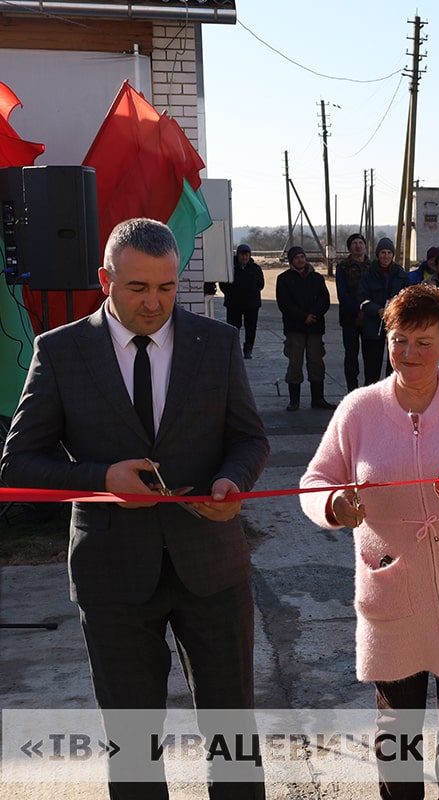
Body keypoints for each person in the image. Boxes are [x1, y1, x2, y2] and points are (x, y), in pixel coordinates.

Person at [1, 217, 270, 799]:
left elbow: (249, 439)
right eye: (137, 288)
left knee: (233, 742)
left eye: (167, 288)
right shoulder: (61, 351)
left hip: (213, 568)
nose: (154, 304)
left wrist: (231, 481)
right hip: (113, 577)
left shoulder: (216, 344)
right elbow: (18, 463)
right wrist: (101, 477)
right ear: (105, 279)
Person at [300, 284, 439, 800]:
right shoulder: (358, 409)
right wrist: (334, 506)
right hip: (394, 587)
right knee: (396, 724)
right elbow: (314, 482)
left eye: (425, 342)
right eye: (400, 340)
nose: (409, 353)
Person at [276, 244, 336, 410]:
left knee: (316, 362)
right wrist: (303, 317)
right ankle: (294, 400)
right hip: (295, 328)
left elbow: (324, 300)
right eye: (296, 257)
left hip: (315, 328)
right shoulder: (284, 279)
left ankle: (318, 399)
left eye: (302, 256)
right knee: (295, 363)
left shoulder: (317, 279)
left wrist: (313, 315)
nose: (300, 260)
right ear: (291, 261)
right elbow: (284, 304)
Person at [359, 237, 411, 385]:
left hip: (396, 327)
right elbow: (362, 299)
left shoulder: (402, 275)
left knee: (394, 368)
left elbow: (408, 298)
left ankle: (392, 401)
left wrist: (396, 310)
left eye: (389, 252)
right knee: (372, 369)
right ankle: (370, 402)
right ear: (377, 254)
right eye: (383, 252)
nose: (386, 256)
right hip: (373, 327)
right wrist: (378, 310)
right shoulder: (368, 275)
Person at [336, 233, 369, 390]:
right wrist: (357, 311)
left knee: (371, 357)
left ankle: (369, 391)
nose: (358, 246)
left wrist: (367, 310)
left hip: (370, 317)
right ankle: (352, 389)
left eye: (361, 243)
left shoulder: (373, 266)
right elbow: (342, 294)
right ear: (349, 247)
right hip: (350, 318)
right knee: (351, 355)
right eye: (354, 243)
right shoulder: (343, 267)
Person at [220, 243, 264, 359]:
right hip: (234, 304)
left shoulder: (255, 268)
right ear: (237, 255)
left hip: (251, 304)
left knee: (251, 328)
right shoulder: (231, 267)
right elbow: (223, 283)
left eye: (246, 255)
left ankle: (248, 349)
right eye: (242, 255)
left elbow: (261, 284)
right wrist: (230, 294)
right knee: (233, 328)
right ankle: (234, 349)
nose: (244, 257)